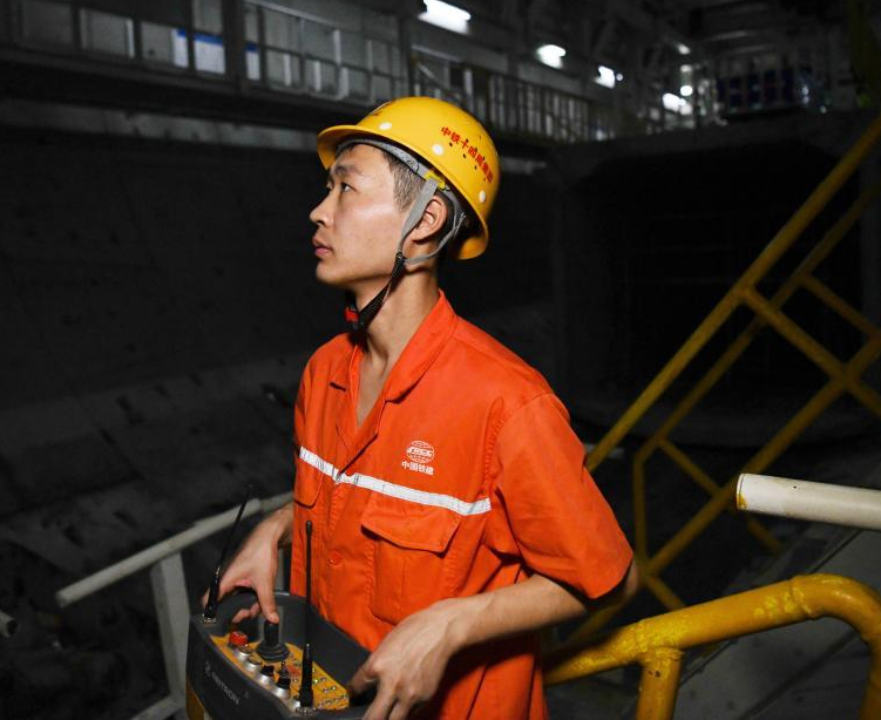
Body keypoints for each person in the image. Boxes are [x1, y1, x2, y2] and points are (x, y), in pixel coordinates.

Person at [204, 97, 637, 719]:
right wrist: (274, 529)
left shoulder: (505, 402)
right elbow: (352, 505)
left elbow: (609, 578)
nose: (319, 211)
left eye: (346, 188)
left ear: (425, 220)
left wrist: (453, 623)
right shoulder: (324, 373)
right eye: (327, 189)